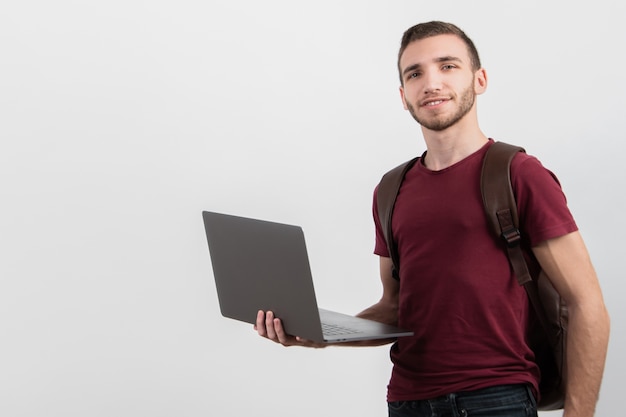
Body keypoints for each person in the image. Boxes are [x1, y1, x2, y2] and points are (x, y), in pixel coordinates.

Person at [255, 21, 610, 417]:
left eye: (448, 66)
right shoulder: (390, 190)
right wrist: (322, 335)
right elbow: (395, 309)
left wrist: (579, 414)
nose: (431, 83)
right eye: (415, 73)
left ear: (479, 79)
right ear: (403, 95)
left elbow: (586, 302)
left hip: (495, 398)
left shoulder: (519, 173)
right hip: (407, 400)